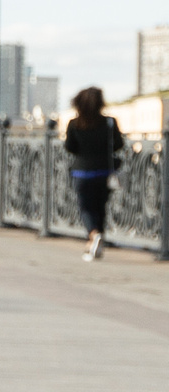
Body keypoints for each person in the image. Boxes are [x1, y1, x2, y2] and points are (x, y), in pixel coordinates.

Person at [63, 85, 125, 260]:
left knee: (86, 208)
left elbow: (70, 147)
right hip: (104, 172)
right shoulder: (109, 122)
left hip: (82, 173)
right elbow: (119, 144)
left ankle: (93, 235)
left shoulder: (74, 124)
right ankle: (96, 243)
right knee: (100, 208)